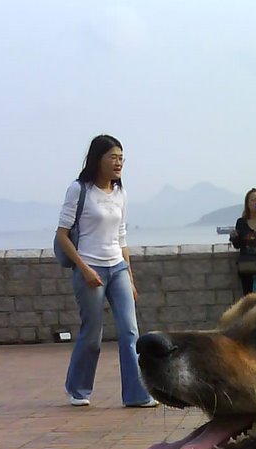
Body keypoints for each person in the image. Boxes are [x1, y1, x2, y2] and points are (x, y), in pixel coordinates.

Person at [56, 134, 157, 407]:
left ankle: (137, 394)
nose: (118, 163)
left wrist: (131, 278)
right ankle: (77, 389)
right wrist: (84, 269)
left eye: (121, 158)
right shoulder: (80, 190)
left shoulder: (121, 193)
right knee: (92, 334)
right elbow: (63, 235)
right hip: (91, 267)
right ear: (97, 159)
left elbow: (122, 238)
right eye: (113, 157)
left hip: (118, 267)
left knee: (130, 331)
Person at [229, 188, 256, 295]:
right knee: (248, 297)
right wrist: (234, 237)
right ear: (247, 203)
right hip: (246, 267)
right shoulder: (241, 222)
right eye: (253, 200)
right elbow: (238, 245)